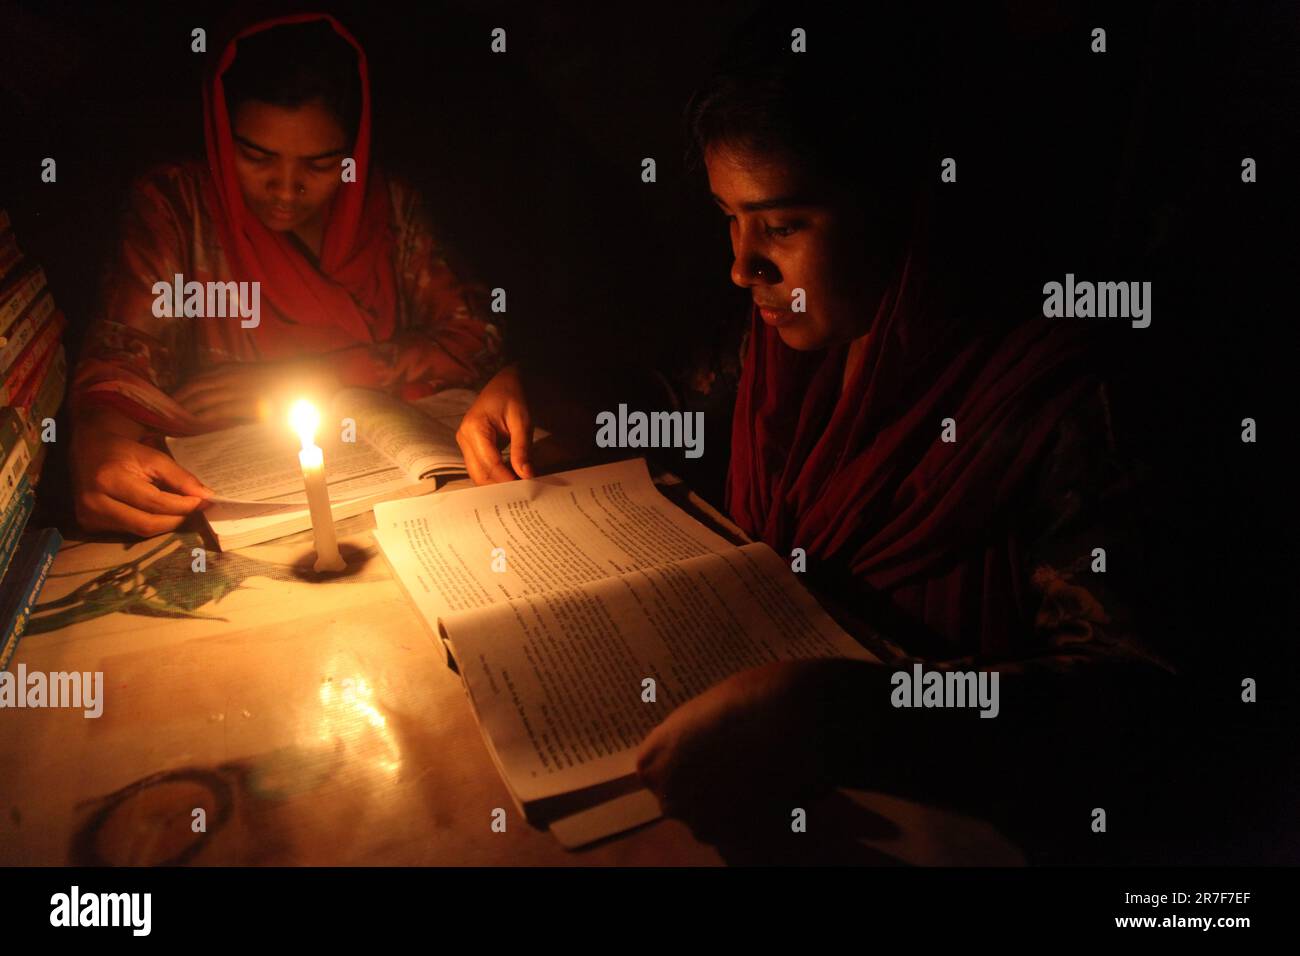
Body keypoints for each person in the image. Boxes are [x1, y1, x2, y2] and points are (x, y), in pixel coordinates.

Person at [464, 12, 1178, 856]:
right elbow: (667, 405)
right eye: (728, 217)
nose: (742, 266)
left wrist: (845, 710)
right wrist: (537, 390)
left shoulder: (1056, 401)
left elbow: (1133, 706)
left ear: (899, 207)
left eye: (783, 225)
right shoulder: (775, 349)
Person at [69, 14, 504, 536]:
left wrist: (320, 377)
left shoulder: (389, 209)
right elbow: (125, 352)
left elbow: (478, 335)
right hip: (240, 508)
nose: (285, 188)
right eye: (256, 156)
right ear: (219, 132)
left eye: (320, 165)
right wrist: (97, 442)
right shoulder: (178, 207)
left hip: (407, 497)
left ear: (353, 153)